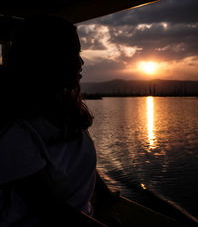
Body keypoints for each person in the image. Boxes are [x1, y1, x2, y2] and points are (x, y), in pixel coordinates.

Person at [0, 14, 116, 226]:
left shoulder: (66, 113)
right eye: (73, 54)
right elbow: (52, 212)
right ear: (47, 60)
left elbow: (79, 159)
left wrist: (105, 195)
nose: (81, 62)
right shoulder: (15, 132)